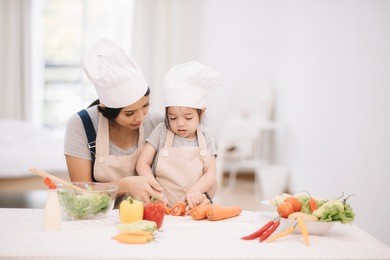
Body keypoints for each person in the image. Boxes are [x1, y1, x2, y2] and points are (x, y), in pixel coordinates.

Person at [64, 39, 165, 203]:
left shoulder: (158, 123)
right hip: (99, 217)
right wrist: (124, 185)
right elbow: (80, 191)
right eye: (129, 113)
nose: (140, 117)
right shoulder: (81, 125)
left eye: (145, 105)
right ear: (105, 108)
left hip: (149, 214)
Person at [136, 61, 221, 209]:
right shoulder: (161, 131)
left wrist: (195, 190)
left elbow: (210, 174)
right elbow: (142, 163)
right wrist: (153, 186)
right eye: (173, 118)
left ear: (202, 112)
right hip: (161, 204)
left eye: (188, 118)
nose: (180, 124)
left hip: (193, 207)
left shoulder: (206, 139)